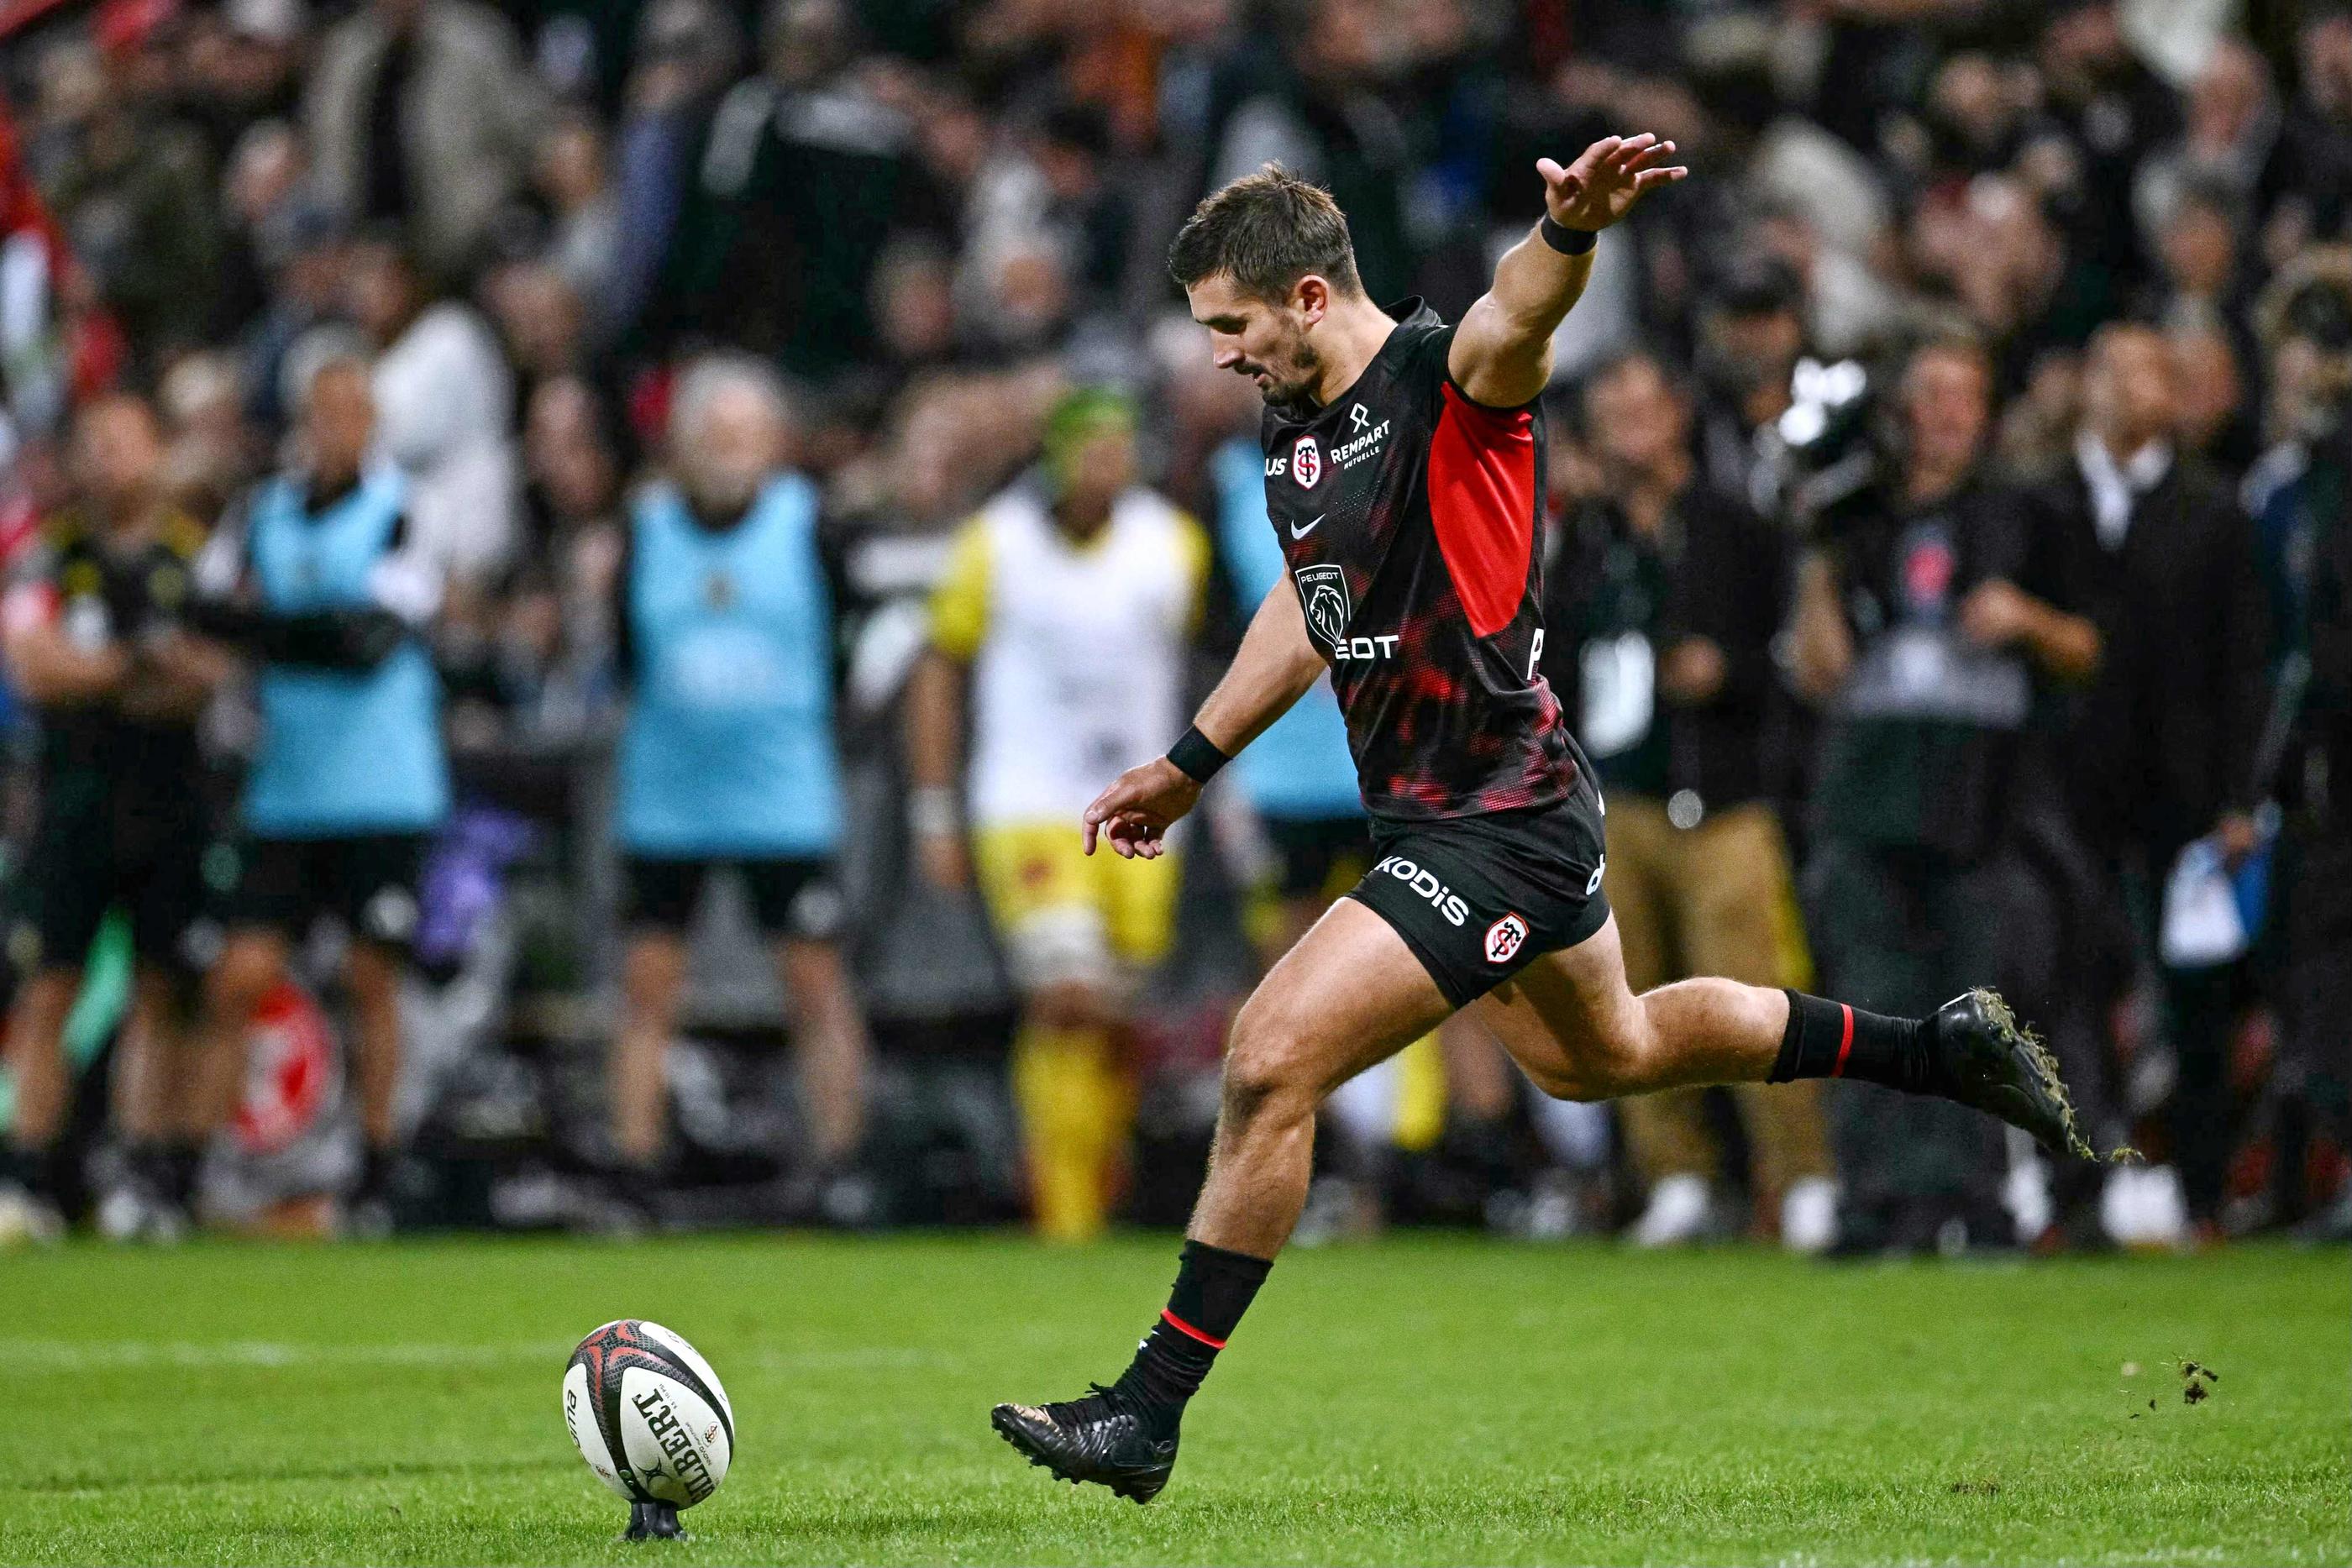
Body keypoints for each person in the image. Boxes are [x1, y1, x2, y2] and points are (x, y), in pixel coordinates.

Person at [991, 145, 2090, 1502]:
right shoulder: (1296, 419)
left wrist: (1563, 237)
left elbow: (1518, 317)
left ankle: (1145, 1412)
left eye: (1233, 323)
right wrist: (1192, 759)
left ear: (1314, 296)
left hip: (1495, 820)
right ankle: (1939, 1047)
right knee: (1609, 1053)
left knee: (1270, 1059)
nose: (1220, 354)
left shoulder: (1449, 381)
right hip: (1454, 816)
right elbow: (1310, 599)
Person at [1788, 336, 2103, 1256]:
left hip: (1986, 794)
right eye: (1929, 394)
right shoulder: (1849, 516)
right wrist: (1813, 560)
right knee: (1870, 998)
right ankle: (1879, 1200)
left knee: (1982, 997)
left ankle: (1979, 1200)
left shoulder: (2026, 514)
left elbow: (2092, 648)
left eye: (1964, 396)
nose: (1947, 415)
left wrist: (2028, 620)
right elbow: (1818, 671)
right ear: (1898, 408)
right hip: (1867, 786)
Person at [1546, 349, 1834, 1251]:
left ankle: (1802, 1178)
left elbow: (1792, 665)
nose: (1631, 419)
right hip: (1618, 802)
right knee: (1624, 1003)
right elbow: (1553, 666)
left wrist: (1728, 672)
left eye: (1644, 400)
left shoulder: (1735, 528)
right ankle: (1675, 1175)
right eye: (1612, 407)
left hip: (1724, 801)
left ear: (1676, 414)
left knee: (1756, 998)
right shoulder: (1584, 539)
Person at [906, 389, 1206, 1241]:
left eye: (1118, 447)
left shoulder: (1171, 546)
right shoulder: (994, 544)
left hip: (1140, 812)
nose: (1104, 465)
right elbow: (938, 669)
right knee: (1067, 995)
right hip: (1029, 803)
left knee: (1114, 1013)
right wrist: (934, 806)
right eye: (1089, 447)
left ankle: (1096, 1185)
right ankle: (1061, 1207)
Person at [185, 355, 449, 1236]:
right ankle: (198, 1165)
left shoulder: (405, 509)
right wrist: (301, 629)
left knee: (373, 974)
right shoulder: (261, 509)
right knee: (239, 976)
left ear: (373, 421)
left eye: (352, 411)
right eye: (322, 411)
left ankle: (380, 1163)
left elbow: (371, 638)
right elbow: (204, 610)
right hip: (289, 786)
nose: (336, 427)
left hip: (382, 786)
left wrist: (267, 632)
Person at [606, 356, 869, 1223]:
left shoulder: (808, 526)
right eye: (711, 435)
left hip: (780, 793)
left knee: (814, 982)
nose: (727, 452)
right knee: (647, 985)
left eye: (742, 435)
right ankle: (634, 1170)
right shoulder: (645, 530)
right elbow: (621, 656)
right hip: (668, 794)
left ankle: (840, 1164)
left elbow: (845, 649)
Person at [2040, 324, 2273, 1240]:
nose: (2136, 389)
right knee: (2067, 994)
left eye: (2154, 372)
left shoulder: (2214, 510)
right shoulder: (2046, 503)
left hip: (2185, 794)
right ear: (2087, 384)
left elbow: (2245, 663)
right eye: (2119, 369)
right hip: (2070, 791)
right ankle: (2076, 1193)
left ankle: (2204, 1195)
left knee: (2194, 1001)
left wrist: (2237, 798)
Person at [0, 393, 232, 1244]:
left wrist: (104, 667)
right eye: (92, 443)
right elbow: (33, 666)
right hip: (74, 800)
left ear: (156, 451)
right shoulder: (51, 553)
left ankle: (143, 1173)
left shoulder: (195, 552)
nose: (108, 459)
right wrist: (131, 666)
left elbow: (212, 667)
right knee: (50, 980)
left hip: (170, 799)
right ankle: (24, 1177)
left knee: (162, 988)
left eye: (123, 442)